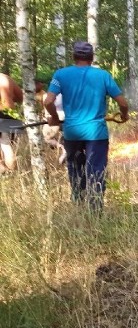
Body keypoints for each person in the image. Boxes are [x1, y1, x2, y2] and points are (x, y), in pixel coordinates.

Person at [43, 41, 130, 211]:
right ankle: (95, 210)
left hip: (71, 132)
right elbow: (122, 102)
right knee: (96, 170)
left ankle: (78, 204)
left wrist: (54, 117)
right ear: (92, 58)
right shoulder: (103, 75)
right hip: (96, 134)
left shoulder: (60, 74)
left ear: (74, 57)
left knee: (75, 169)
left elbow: (48, 101)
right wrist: (124, 115)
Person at [0, 73, 24, 172]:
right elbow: (21, 97)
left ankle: (10, 172)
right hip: (12, 114)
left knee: (5, 145)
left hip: (1, 113)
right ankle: (6, 170)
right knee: (7, 144)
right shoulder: (7, 78)